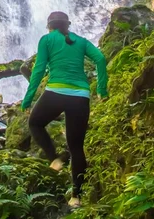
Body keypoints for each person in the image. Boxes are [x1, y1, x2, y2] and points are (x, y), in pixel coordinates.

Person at [21, 11, 108, 208]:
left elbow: (39, 69)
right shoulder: (81, 41)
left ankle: (54, 159)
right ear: (67, 25)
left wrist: (28, 99)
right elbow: (101, 59)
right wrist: (102, 89)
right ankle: (76, 197)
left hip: (55, 93)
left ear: (49, 27)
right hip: (80, 97)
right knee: (76, 147)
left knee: (35, 123)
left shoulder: (47, 40)